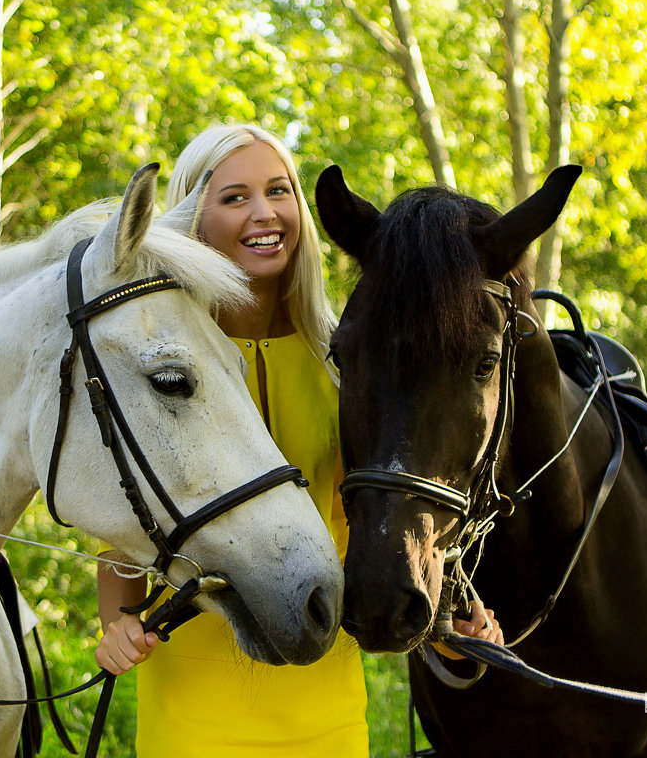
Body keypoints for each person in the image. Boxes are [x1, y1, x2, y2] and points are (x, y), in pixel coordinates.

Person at [94, 123, 502, 757]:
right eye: (234, 197)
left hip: (327, 709)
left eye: (278, 191)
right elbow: (127, 517)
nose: (265, 213)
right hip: (192, 711)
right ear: (193, 220)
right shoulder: (165, 366)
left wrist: (446, 613)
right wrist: (118, 622)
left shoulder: (346, 361)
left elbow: (386, 514)